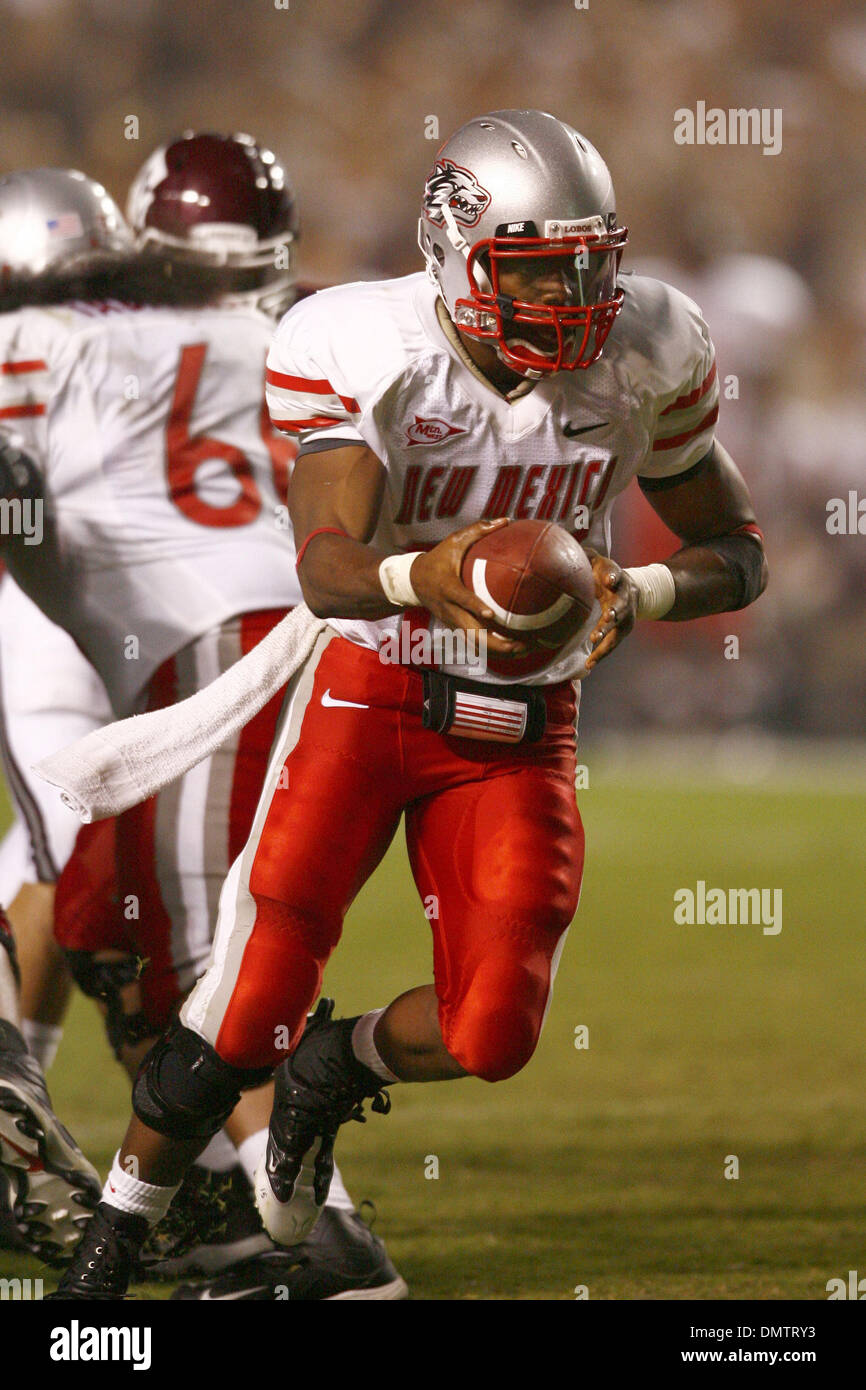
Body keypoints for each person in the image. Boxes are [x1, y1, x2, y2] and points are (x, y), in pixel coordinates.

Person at [51, 108, 767, 1300]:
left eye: (591, 262)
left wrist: (634, 586)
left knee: (493, 1033)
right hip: (373, 688)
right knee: (242, 1012)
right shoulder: (361, 340)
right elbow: (325, 561)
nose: (574, 295)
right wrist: (430, 571)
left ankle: (334, 1067)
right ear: (455, 247)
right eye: (538, 265)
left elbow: (733, 551)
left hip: (521, 726)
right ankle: (114, 1238)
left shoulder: (648, 343)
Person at [0, 144, 404, 1298]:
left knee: (196, 966)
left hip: (211, 661)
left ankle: (328, 1238)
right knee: (121, 942)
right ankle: (225, 1209)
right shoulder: (281, 332)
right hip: (295, 642)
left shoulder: (47, 349)